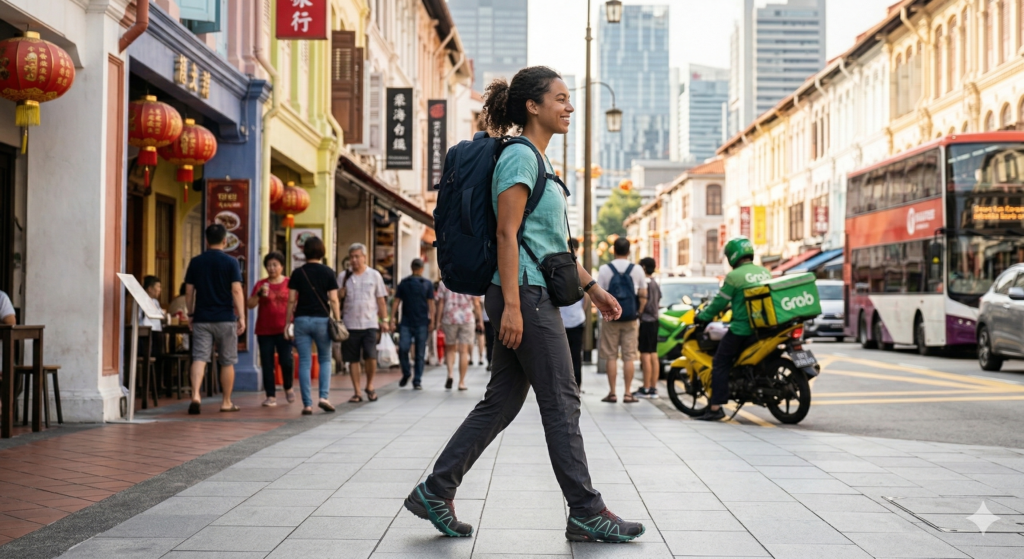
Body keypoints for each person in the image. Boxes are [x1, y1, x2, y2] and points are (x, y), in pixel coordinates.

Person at [404, 67, 645, 543]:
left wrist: (592, 287)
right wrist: (511, 306)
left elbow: (548, 245)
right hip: (525, 296)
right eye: (559, 98)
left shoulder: (540, 162)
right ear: (532, 106)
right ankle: (585, 509)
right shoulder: (519, 158)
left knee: (502, 401)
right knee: (561, 399)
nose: (569, 106)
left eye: (569, 98)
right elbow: (506, 234)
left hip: (530, 289)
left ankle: (436, 488)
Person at [694, 237, 772, 421]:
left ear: (732, 256)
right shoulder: (764, 272)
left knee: (720, 362)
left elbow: (718, 303)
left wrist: (702, 317)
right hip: (765, 328)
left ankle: (715, 408)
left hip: (742, 329)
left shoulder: (734, 276)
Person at [184, 224, 245, 414]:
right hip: (225, 318)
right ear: (225, 241)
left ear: (206, 241)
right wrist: (241, 316)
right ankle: (226, 402)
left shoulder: (196, 262)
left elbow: (189, 290)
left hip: (202, 318)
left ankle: (195, 394)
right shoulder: (231, 262)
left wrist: (191, 313)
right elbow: (236, 290)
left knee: (200, 358)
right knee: (227, 361)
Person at [284, 237, 340, 415]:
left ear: (305, 251)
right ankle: (323, 397)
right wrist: (337, 320)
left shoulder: (298, 273)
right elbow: (333, 299)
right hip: (322, 321)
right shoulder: (328, 272)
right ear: (322, 251)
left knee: (305, 362)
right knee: (324, 359)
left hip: (301, 320)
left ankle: (307, 404)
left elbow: (291, 299)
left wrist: (287, 323)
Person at [597, 237, 648, 404]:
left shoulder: (605, 269)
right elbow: (643, 295)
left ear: (614, 250)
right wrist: (638, 313)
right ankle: (627, 393)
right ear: (629, 251)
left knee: (611, 355)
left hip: (611, 318)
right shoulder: (638, 269)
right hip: (630, 317)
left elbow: (599, 295)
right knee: (629, 356)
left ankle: (612, 393)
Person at [339, 243, 390, 402]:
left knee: (370, 356)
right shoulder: (343, 276)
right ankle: (357, 392)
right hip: (349, 324)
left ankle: (369, 385)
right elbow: (336, 298)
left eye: (357, 257)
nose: (354, 260)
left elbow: (381, 300)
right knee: (352, 358)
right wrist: (340, 294)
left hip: (370, 323)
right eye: (351, 257)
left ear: (364, 257)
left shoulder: (374, 275)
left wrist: (385, 320)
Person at [247, 251, 295, 407]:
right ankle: (270, 395)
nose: (272, 268)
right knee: (267, 363)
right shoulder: (261, 285)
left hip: (284, 329)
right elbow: (250, 304)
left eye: (275, 265)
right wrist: (259, 295)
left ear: (282, 266)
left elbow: (296, 304)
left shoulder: (290, 283)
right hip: (265, 330)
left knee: (286, 361)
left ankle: (288, 386)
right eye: (269, 265)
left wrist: (294, 323)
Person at [391, 258, 434, 389]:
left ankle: (416, 379)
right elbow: (397, 301)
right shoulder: (405, 283)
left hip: (416, 322)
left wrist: (431, 320)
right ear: (422, 269)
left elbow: (396, 302)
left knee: (412, 351)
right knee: (411, 351)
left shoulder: (426, 284)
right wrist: (392, 318)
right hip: (409, 322)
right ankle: (409, 374)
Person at [435, 281, 482, 391]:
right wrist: (480, 320)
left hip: (449, 317)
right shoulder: (471, 280)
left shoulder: (445, 281)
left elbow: (441, 302)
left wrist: (438, 321)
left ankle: (450, 374)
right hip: (466, 318)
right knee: (463, 351)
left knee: (450, 348)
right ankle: (461, 382)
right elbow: (476, 303)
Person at [632, 257, 661, 399]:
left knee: (645, 354)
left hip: (647, 321)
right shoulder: (655, 282)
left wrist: (639, 312)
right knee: (653, 354)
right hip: (655, 320)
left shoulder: (646, 283)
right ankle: (653, 387)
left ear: (643, 268)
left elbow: (644, 302)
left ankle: (646, 387)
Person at [560, 238, 586, 388]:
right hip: (577, 319)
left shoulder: (559, 263)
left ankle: (563, 384)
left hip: (560, 320)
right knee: (576, 355)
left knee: (560, 355)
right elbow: (587, 297)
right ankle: (577, 385)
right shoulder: (579, 266)